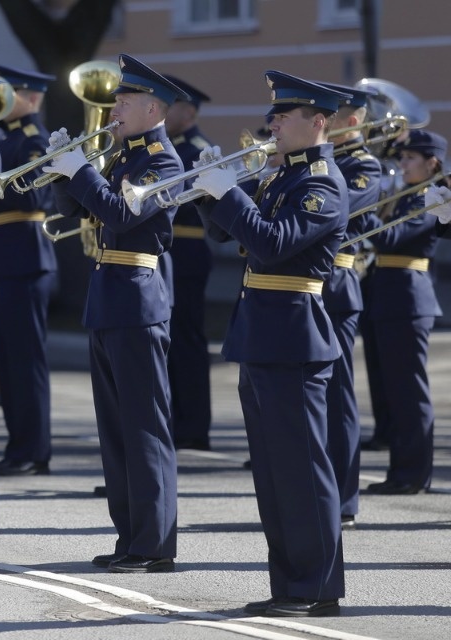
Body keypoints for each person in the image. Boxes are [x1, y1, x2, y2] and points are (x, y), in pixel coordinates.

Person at [192, 71, 351, 617]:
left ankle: (318, 587)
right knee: (272, 472)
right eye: (274, 114)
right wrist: (209, 188)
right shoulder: (279, 176)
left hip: (295, 335)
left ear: (319, 122)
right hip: (260, 332)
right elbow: (224, 233)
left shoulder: (323, 184)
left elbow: (272, 242)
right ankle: (290, 582)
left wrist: (230, 193)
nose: (273, 122)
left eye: (285, 115)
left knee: (303, 469)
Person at [42, 54, 185, 573]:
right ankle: (131, 537)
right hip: (109, 297)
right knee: (116, 431)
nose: (115, 108)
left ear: (152, 108)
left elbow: (123, 214)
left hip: (138, 297)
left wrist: (81, 171)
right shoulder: (124, 155)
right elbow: (79, 210)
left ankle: (155, 544)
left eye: (124, 101)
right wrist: (65, 171)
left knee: (144, 427)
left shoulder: (163, 162)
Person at [360, 129, 447, 495]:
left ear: (432, 164)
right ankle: (400, 471)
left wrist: (358, 212)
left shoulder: (431, 197)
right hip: (385, 295)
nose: (403, 164)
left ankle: (413, 475)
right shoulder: (402, 196)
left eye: (411, 158)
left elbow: (391, 238)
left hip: (408, 299)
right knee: (392, 391)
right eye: (402, 157)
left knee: (409, 392)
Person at [0, 64, 57, 476]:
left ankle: (34, 450)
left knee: (27, 361)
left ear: (30, 98)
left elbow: (36, 198)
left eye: (10, 94)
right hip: (2, 258)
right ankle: (17, 446)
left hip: (27, 259)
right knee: (8, 362)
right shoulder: (7, 138)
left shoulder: (34, 140)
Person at [315, 82, 382, 526]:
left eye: (331, 116)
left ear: (353, 120)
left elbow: (336, 207)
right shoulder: (319, 162)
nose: (322, 123)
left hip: (336, 285)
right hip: (301, 285)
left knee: (338, 397)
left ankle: (343, 497)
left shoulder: (364, 166)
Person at [161, 74, 215, 451]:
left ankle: (194, 426)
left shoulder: (197, 148)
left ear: (189, 111)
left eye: (171, 106)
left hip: (187, 251)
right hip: (169, 251)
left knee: (187, 340)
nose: (164, 113)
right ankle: (178, 419)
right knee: (170, 341)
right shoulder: (172, 145)